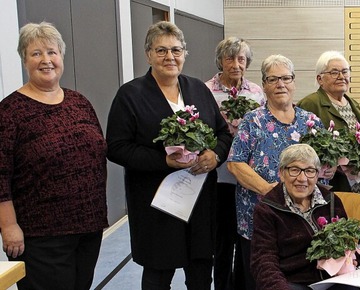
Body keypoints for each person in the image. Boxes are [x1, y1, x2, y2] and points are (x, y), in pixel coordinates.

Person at [106, 21, 232, 289]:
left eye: (176, 50)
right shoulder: (130, 95)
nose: (169, 57)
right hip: (156, 204)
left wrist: (216, 155)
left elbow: (223, 134)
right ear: (148, 54)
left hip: (199, 201)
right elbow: (116, 147)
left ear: (185, 53)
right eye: (161, 50)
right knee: (158, 275)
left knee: (200, 272)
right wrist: (162, 161)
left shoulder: (198, 89)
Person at [0, 22, 108, 290]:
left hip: (87, 228)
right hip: (40, 236)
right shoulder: (10, 111)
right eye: (36, 53)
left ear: (61, 57)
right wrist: (9, 226)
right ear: (24, 59)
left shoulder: (79, 102)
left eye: (52, 52)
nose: (46, 60)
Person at [227, 54, 321, 290]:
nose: (281, 84)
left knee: (300, 277)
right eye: (273, 79)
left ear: (294, 82)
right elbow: (235, 163)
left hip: (302, 221)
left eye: (286, 78)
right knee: (259, 278)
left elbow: (321, 168)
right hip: (258, 219)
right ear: (264, 85)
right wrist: (270, 192)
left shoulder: (311, 122)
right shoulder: (253, 120)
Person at [251, 144, 356, 290]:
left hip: (331, 280)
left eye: (309, 171)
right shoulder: (267, 210)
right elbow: (264, 260)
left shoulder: (331, 201)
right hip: (290, 282)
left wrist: (351, 258)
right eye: (294, 170)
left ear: (317, 173)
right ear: (281, 173)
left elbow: (347, 244)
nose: (302, 178)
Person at [204, 36, 264, 290]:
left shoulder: (256, 92)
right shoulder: (206, 90)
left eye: (241, 59)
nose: (236, 64)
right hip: (219, 177)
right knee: (222, 240)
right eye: (230, 58)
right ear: (220, 60)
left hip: (248, 176)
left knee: (246, 238)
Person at [297, 50, 360, 230]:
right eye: (334, 72)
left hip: (358, 187)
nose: (341, 76)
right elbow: (301, 148)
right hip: (332, 186)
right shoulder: (310, 104)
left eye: (345, 71)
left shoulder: (352, 104)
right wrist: (327, 164)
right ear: (320, 79)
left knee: (352, 241)